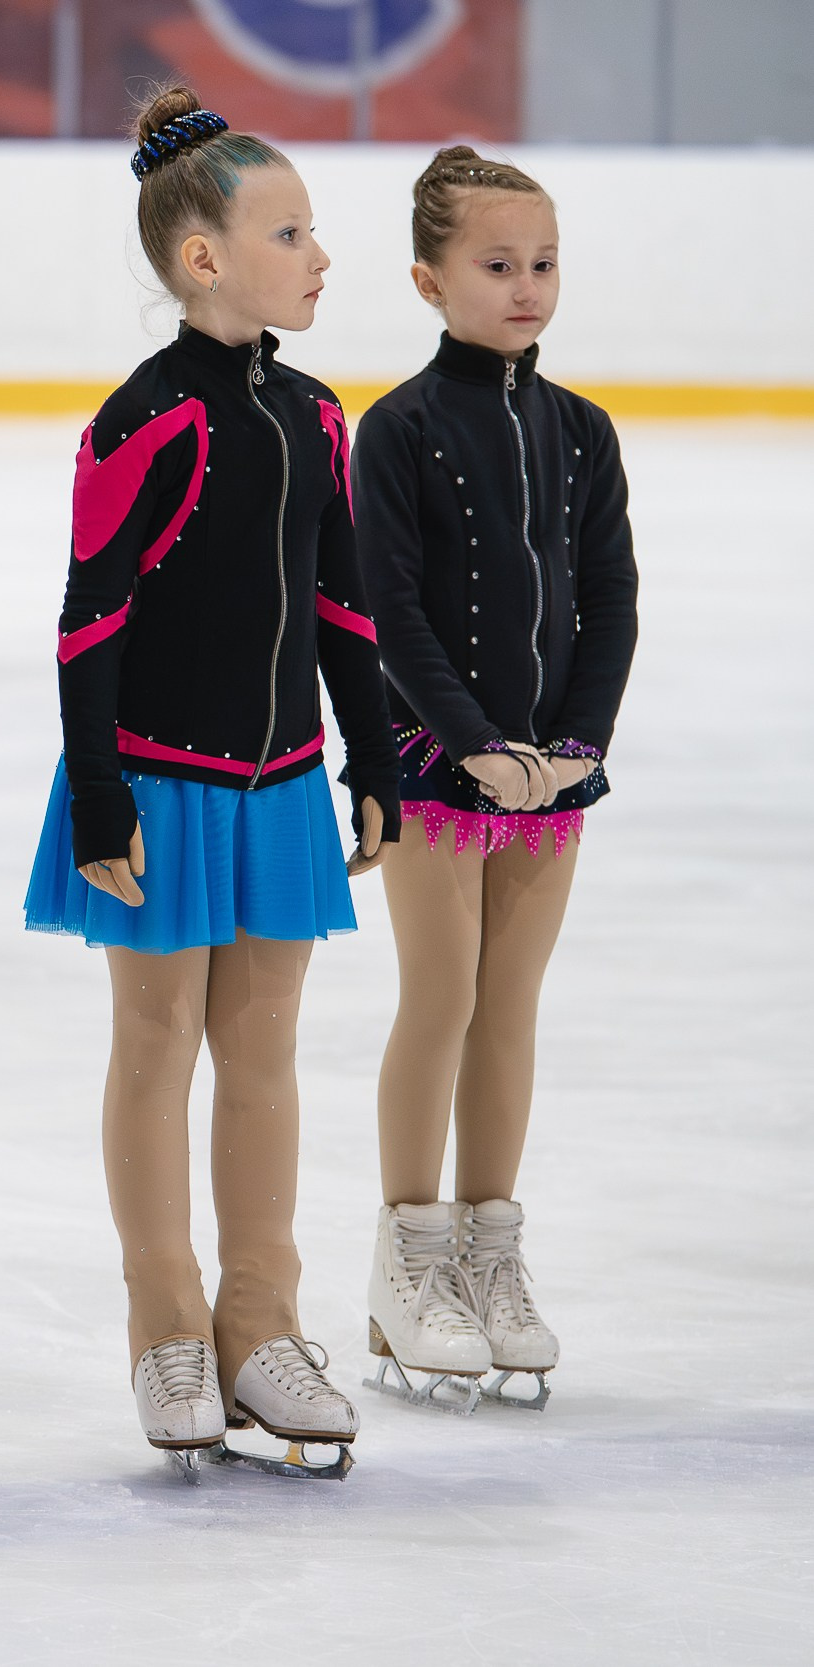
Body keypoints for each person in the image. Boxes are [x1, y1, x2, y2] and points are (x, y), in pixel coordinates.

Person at [21, 87, 401, 1479]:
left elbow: (346, 603)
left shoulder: (314, 413)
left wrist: (373, 754)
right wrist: (101, 795)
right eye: (289, 231)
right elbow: (89, 620)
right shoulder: (146, 418)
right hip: (156, 786)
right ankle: (166, 1319)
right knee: (154, 1042)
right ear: (202, 259)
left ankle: (263, 1320)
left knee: (266, 1054)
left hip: (286, 780)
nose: (318, 255)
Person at [353, 146, 639, 1414]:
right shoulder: (400, 427)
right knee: (442, 995)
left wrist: (574, 745)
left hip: (548, 771)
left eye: (542, 263)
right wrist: (471, 742)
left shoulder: (581, 431)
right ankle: (408, 1255)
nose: (526, 287)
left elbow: (610, 601)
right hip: (440, 762)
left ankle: (489, 1247)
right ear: (429, 278)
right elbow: (389, 607)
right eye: (495, 264)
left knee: (510, 1004)